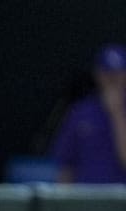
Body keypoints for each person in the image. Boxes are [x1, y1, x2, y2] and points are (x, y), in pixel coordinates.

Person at [50, 44, 126, 185]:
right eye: (107, 73)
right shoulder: (80, 111)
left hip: (121, 199)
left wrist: (117, 114)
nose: (112, 79)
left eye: (118, 73)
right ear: (97, 74)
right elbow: (66, 165)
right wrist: (63, 204)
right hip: (87, 198)